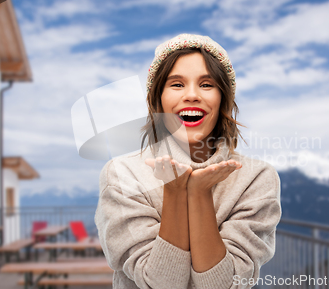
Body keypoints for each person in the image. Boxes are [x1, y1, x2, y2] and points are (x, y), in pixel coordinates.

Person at [95, 33, 281, 289]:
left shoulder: (256, 178)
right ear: (157, 99)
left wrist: (199, 194)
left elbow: (222, 285)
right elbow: (159, 283)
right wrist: (175, 191)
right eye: (177, 84)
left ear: (223, 99)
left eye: (206, 84)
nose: (192, 95)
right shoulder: (121, 174)